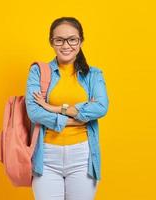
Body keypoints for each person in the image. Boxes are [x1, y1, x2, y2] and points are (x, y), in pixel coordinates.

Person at [25, 16, 109, 200]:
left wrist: (54, 108)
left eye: (72, 39)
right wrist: (76, 118)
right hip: (46, 158)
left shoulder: (93, 75)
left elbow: (101, 108)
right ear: (51, 42)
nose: (66, 45)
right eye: (59, 40)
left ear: (81, 41)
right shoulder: (38, 72)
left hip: (83, 157)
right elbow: (34, 112)